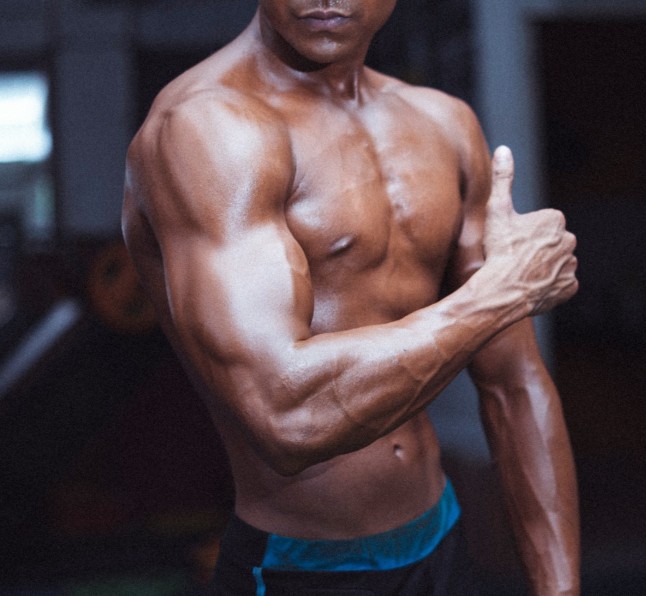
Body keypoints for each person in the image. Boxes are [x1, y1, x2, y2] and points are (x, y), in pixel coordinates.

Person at [122, 1, 580, 594]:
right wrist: (500, 296)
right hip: (301, 567)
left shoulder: (443, 123)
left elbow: (514, 384)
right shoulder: (207, 130)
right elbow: (287, 416)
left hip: (440, 539)